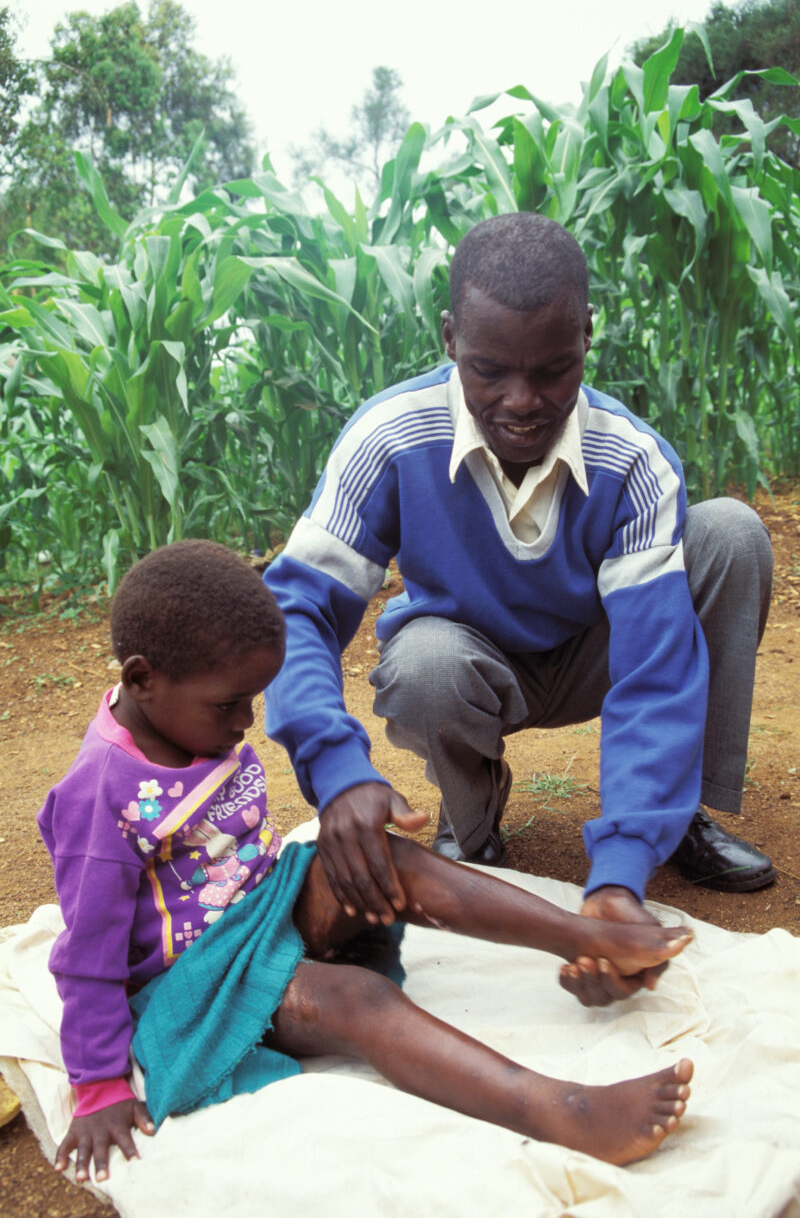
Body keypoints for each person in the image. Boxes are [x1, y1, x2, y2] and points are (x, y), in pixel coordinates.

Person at [39, 539, 695, 1184]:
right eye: (228, 704)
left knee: (381, 858)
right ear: (142, 679)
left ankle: (584, 935)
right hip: (199, 977)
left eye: (253, 700)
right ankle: (562, 1110)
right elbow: (86, 957)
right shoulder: (102, 797)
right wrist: (98, 1087)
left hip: (259, 906)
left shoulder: (187, 713)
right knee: (355, 998)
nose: (245, 720)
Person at [263, 212, 774, 1009]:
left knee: (730, 535)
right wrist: (335, 768)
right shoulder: (391, 437)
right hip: (469, 662)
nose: (523, 401)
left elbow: (655, 675)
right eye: (489, 369)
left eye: (554, 370)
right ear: (448, 338)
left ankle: (675, 820)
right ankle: (474, 825)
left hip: (592, 653)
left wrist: (618, 878)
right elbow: (298, 605)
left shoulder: (631, 460)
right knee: (424, 664)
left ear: (588, 337)